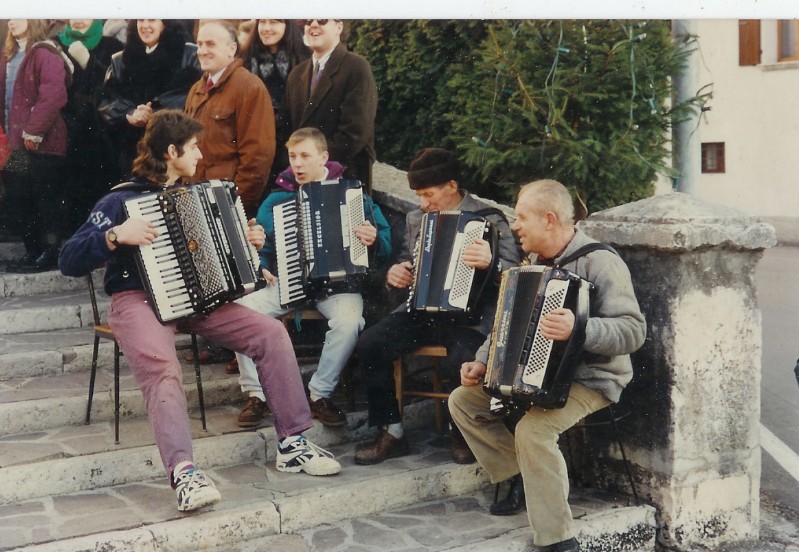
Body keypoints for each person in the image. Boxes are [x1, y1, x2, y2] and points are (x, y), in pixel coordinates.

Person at [58, 109, 341, 513]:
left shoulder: (195, 194)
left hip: (194, 300)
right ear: (171, 151)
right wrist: (115, 235)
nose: (199, 155)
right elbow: (68, 259)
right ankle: (184, 472)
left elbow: (218, 258)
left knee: (270, 333)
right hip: (136, 298)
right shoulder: (119, 201)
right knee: (162, 367)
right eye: (192, 148)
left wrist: (247, 243)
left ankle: (293, 443)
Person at [448, 180, 647, 552]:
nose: (516, 225)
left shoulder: (601, 261)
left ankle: (558, 539)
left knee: (533, 433)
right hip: (538, 377)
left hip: (592, 379)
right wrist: (479, 362)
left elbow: (634, 331)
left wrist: (581, 328)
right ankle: (524, 476)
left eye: (521, 217)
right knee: (463, 401)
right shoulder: (533, 265)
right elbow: (506, 324)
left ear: (550, 219)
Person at [354, 147, 521, 465]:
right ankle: (392, 432)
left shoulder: (490, 219)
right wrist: (396, 273)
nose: (421, 204)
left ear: (452, 186)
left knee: (462, 357)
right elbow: (407, 258)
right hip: (422, 312)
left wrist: (492, 262)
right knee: (370, 343)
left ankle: (462, 432)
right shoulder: (418, 219)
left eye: (428, 194)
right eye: (417, 195)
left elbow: (513, 281)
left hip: (471, 318)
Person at [234, 127, 391, 429]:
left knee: (349, 322)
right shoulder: (277, 199)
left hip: (338, 285)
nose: (298, 164)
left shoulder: (352, 193)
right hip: (287, 281)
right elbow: (261, 247)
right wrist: (260, 265)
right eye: (293, 156)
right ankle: (256, 394)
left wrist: (373, 240)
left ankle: (320, 393)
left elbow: (384, 240)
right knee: (242, 311)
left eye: (305, 156)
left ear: (324, 157)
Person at [184, 19, 275, 219]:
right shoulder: (196, 90)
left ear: (231, 49)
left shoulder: (249, 88)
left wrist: (235, 206)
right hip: (195, 202)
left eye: (210, 44)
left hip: (227, 208)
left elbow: (257, 157)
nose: (202, 51)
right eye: (199, 44)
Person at [1, 19, 72, 273]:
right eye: (9, 16)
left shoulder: (44, 51)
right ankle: (33, 252)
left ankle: (49, 253)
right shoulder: (10, 55)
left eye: (19, 15)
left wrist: (34, 131)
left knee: (45, 198)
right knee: (19, 194)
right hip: (19, 147)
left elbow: (54, 95)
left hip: (41, 144)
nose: (12, 21)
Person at [279, 19, 377, 194]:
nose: (314, 25)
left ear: (339, 27)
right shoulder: (297, 73)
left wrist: (315, 165)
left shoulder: (356, 67)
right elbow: (285, 128)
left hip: (343, 179)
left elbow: (354, 134)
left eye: (323, 19)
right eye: (308, 21)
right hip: (301, 180)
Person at [98, 19, 201, 181]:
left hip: (173, 152)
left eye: (152, 20)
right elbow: (107, 101)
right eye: (141, 20)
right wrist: (130, 114)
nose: (145, 26)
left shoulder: (189, 54)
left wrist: (155, 113)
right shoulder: (119, 60)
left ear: (166, 23)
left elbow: (191, 95)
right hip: (131, 153)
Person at [56, 19, 123, 233]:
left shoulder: (111, 45)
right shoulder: (55, 43)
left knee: (98, 186)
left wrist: (89, 62)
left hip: (101, 131)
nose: (78, 20)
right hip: (66, 127)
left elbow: (114, 84)